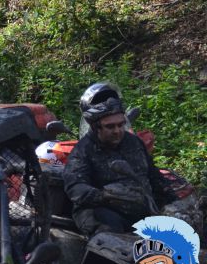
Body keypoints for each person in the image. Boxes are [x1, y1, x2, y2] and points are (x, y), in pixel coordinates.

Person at [63, 94, 177, 235]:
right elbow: (75, 187)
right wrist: (105, 195)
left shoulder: (134, 143)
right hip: (102, 211)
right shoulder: (83, 151)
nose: (117, 131)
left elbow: (153, 175)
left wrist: (172, 199)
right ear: (95, 127)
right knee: (108, 232)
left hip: (142, 209)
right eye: (110, 126)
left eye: (120, 124)